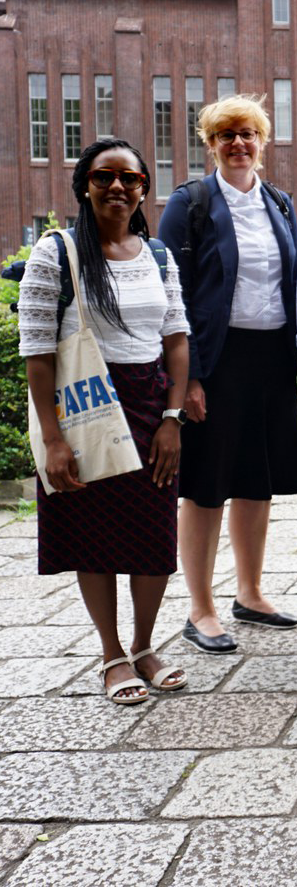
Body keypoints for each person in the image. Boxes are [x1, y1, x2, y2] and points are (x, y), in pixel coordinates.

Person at [19, 139, 190, 703]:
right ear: (84, 185)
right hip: (85, 407)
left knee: (154, 532)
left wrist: (172, 417)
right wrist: (52, 438)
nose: (117, 187)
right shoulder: (56, 253)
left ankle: (144, 645)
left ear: (144, 186)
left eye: (129, 177)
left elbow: (176, 339)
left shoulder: (159, 255)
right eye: (103, 176)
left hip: (149, 406)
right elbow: (38, 352)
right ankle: (112, 655)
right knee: (91, 533)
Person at [157, 93, 297, 653]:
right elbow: (173, 296)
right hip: (216, 363)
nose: (238, 144)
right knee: (206, 484)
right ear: (210, 144)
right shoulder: (189, 203)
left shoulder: (279, 203)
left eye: (248, 134)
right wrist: (189, 377)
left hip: (270, 358)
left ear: (262, 142)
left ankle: (251, 591)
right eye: (226, 135)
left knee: (256, 479)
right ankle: (200, 608)